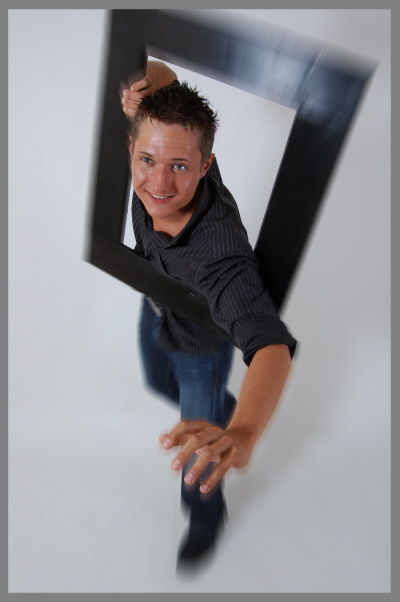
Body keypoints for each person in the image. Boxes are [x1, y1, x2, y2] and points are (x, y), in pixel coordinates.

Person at [121, 60, 297, 567]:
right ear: (132, 149)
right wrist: (141, 82)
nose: (159, 182)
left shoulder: (221, 256)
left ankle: (204, 520)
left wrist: (241, 434)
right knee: (157, 383)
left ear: (205, 166)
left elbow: (272, 346)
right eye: (147, 159)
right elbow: (166, 76)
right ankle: (220, 405)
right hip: (156, 307)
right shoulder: (166, 143)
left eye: (179, 166)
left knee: (200, 456)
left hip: (201, 344)